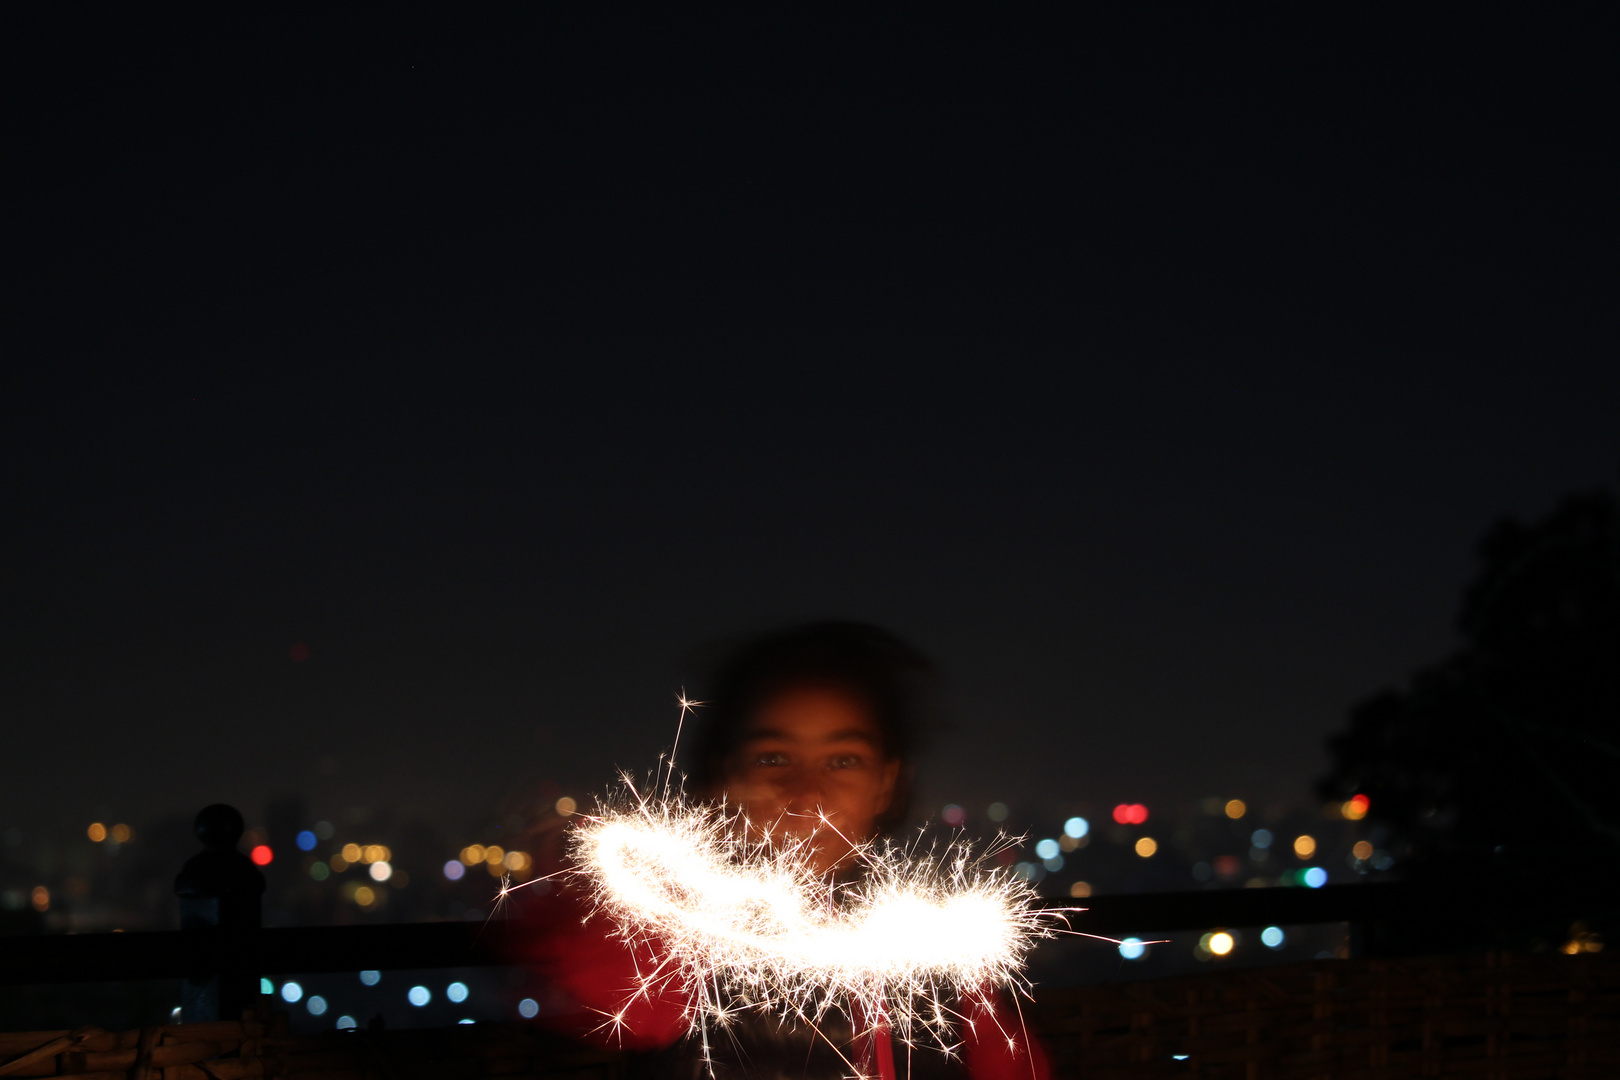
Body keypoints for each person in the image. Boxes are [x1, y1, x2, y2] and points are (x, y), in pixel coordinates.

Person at [516, 622, 1049, 1080]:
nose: (808, 795)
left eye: (843, 761)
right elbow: (601, 982)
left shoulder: (941, 956)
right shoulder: (683, 942)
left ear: (887, 783)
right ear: (727, 778)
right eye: (774, 758)